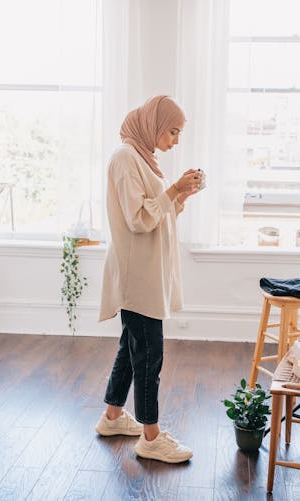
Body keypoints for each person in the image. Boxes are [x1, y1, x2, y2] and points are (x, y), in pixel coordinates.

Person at [94, 96, 203, 463]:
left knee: (133, 346)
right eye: (172, 132)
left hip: (145, 271)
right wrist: (172, 191)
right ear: (154, 124)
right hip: (136, 274)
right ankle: (151, 437)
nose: (175, 141)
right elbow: (138, 219)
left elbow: (155, 215)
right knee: (149, 353)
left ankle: (112, 417)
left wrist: (179, 196)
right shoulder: (125, 158)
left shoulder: (142, 159)